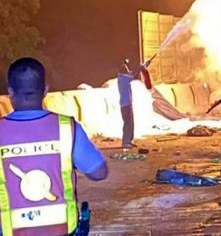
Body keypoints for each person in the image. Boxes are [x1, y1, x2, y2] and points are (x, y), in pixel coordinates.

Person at [0, 57, 108, 236]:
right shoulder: (67, 127)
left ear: (10, 92)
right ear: (45, 90)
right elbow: (99, 173)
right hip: (63, 231)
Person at [117, 60, 136, 149]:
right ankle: (125, 142)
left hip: (127, 104)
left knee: (130, 123)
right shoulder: (123, 78)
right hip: (126, 105)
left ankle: (129, 141)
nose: (129, 70)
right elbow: (133, 74)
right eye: (127, 69)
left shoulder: (122, 78)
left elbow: (132, 73)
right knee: (128, 123)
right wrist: (141, 67)